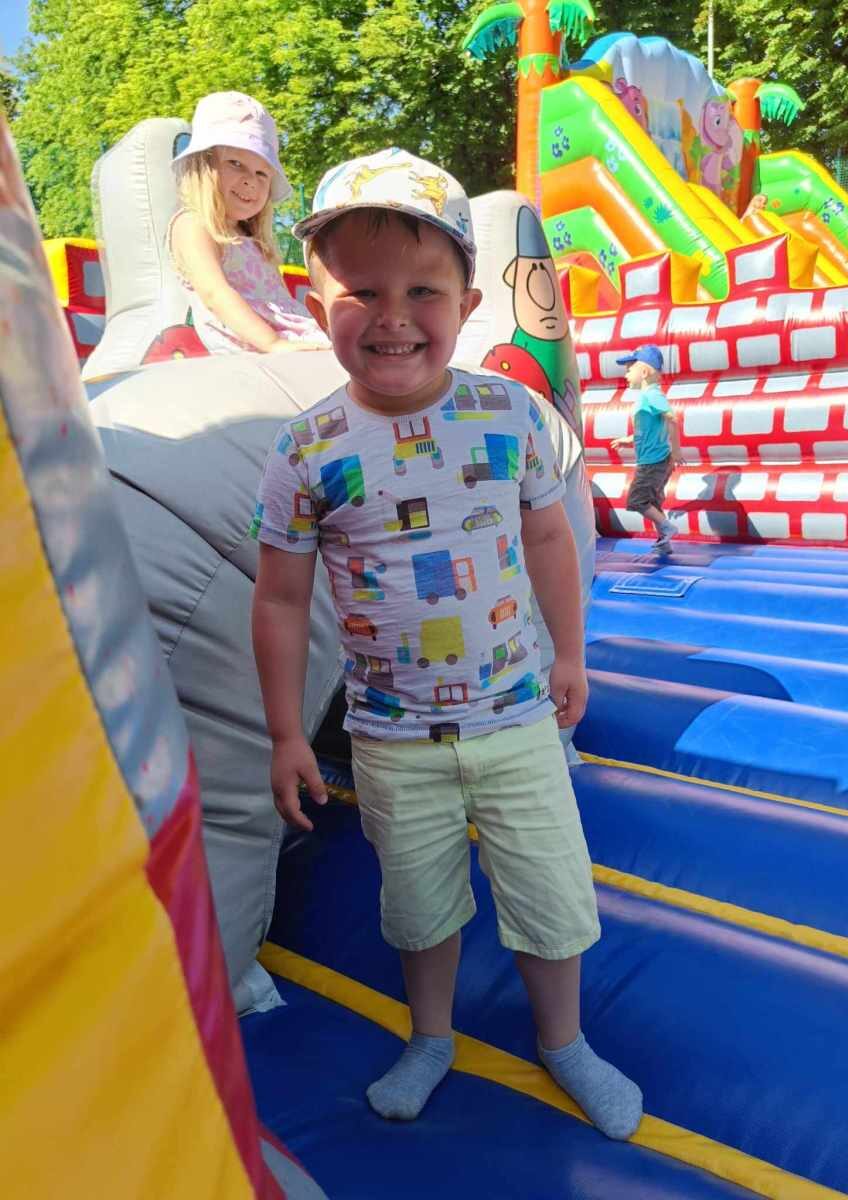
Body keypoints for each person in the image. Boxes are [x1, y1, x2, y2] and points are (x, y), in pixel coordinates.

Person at [250, 147, 643, 1140]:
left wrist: (568, 654)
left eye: (422, 291)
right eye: (361, 290)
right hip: (392, 739)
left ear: (467, 304)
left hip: (516, 720)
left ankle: (563, 1041)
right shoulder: (307, 450)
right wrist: (287, 733)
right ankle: (432, 1036)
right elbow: (281, 600)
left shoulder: (506, 413)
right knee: (418, 908)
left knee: (551, 897)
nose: (392, 316)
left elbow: (549, 539)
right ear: (316, 304)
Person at [168, 91, 329, 355]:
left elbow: (279, 301)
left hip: (283, 334)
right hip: (254, 344)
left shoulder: (250, 236)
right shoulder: (194, 224)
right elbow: (214, 293)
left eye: (262, 173)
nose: (250, 181)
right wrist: (273, 343)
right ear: (203, 165)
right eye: (236, 163)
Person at [611, 344, 683, 553]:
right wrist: (629, 440)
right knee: (652, 501)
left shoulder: (651, 395)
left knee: (637, 499)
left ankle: (667, 527)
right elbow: (649, 431)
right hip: (655, 459)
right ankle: (664, 543)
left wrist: (676, 451)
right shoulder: (647, 397)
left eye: (629, 369)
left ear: (643, 372)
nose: (626, 374)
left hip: (653, 462)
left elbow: (672, 419)